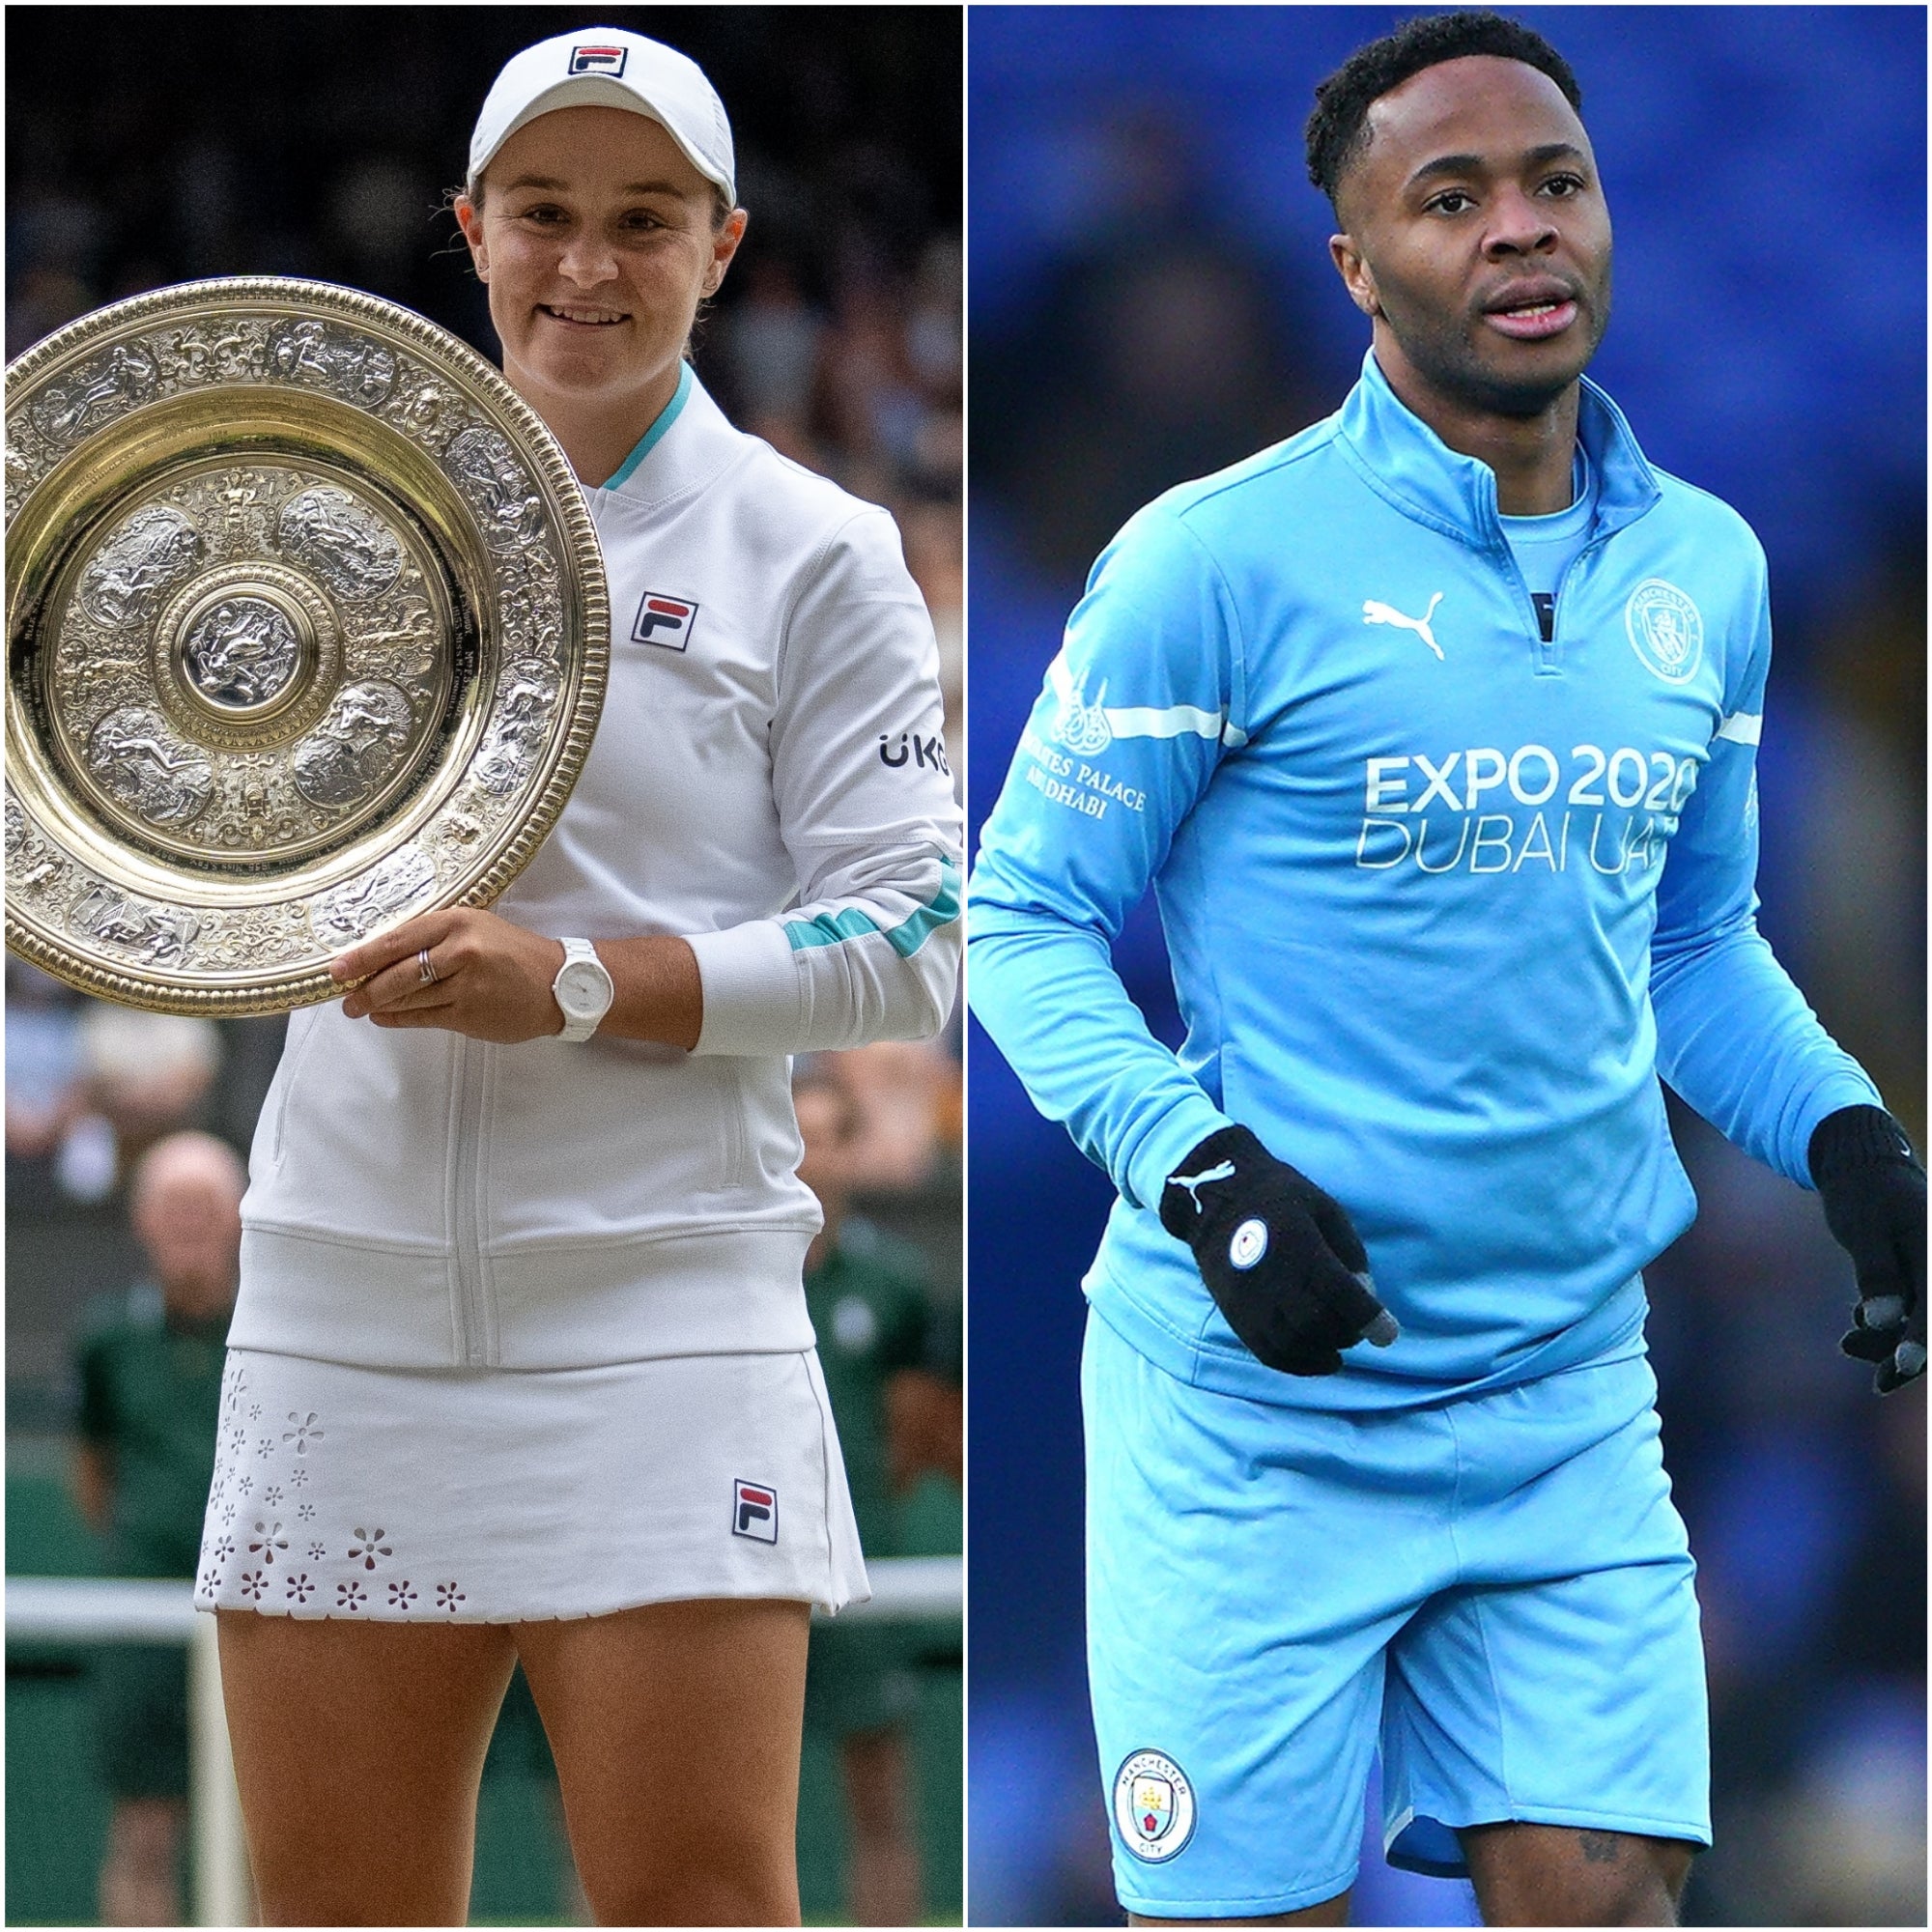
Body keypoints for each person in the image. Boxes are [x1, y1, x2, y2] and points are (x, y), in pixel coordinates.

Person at [966, 13, 1924, 1928]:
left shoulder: (1699, 576)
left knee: (1603, 1898)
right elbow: (1022, 921)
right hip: (1254, 1388)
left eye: (1553, 182)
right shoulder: (1204, 564)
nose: (1516, 231)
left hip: (1561, 1381)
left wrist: (1839, 1135)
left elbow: (1695, 946)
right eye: (1450, 194)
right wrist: (1204, 1169)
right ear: (1352, 266)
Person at [191, 26, 961, 1927]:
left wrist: (586, 987)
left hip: (667, 1316)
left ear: (723, 246)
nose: (588, 267)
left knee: (698, 1901)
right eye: (544, 214)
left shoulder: (818, 551)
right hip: (337, 1300)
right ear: (471, 229)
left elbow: (916, 947)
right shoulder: (318, 525)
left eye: (642, 220)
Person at [793, 1060, 954, 1925]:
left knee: (881, 1811)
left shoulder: (892, 1285)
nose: (814, 1159)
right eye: (800, 1138)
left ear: (854, 1154)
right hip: (749, 1575)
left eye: (831, 1139)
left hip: (865, 1582)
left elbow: (914, 1431)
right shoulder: (735, 1276)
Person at [73, 1132, 245, 1926]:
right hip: (142, 1621)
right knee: (144, 1831)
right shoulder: (107, 1341)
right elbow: (92, 1473)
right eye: (172, 1208)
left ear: (241, 1218)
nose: (188, 1225)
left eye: (205, 1208)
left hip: (258, 1617)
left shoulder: (270, 1333)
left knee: (263, 1836)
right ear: (141, 1221)